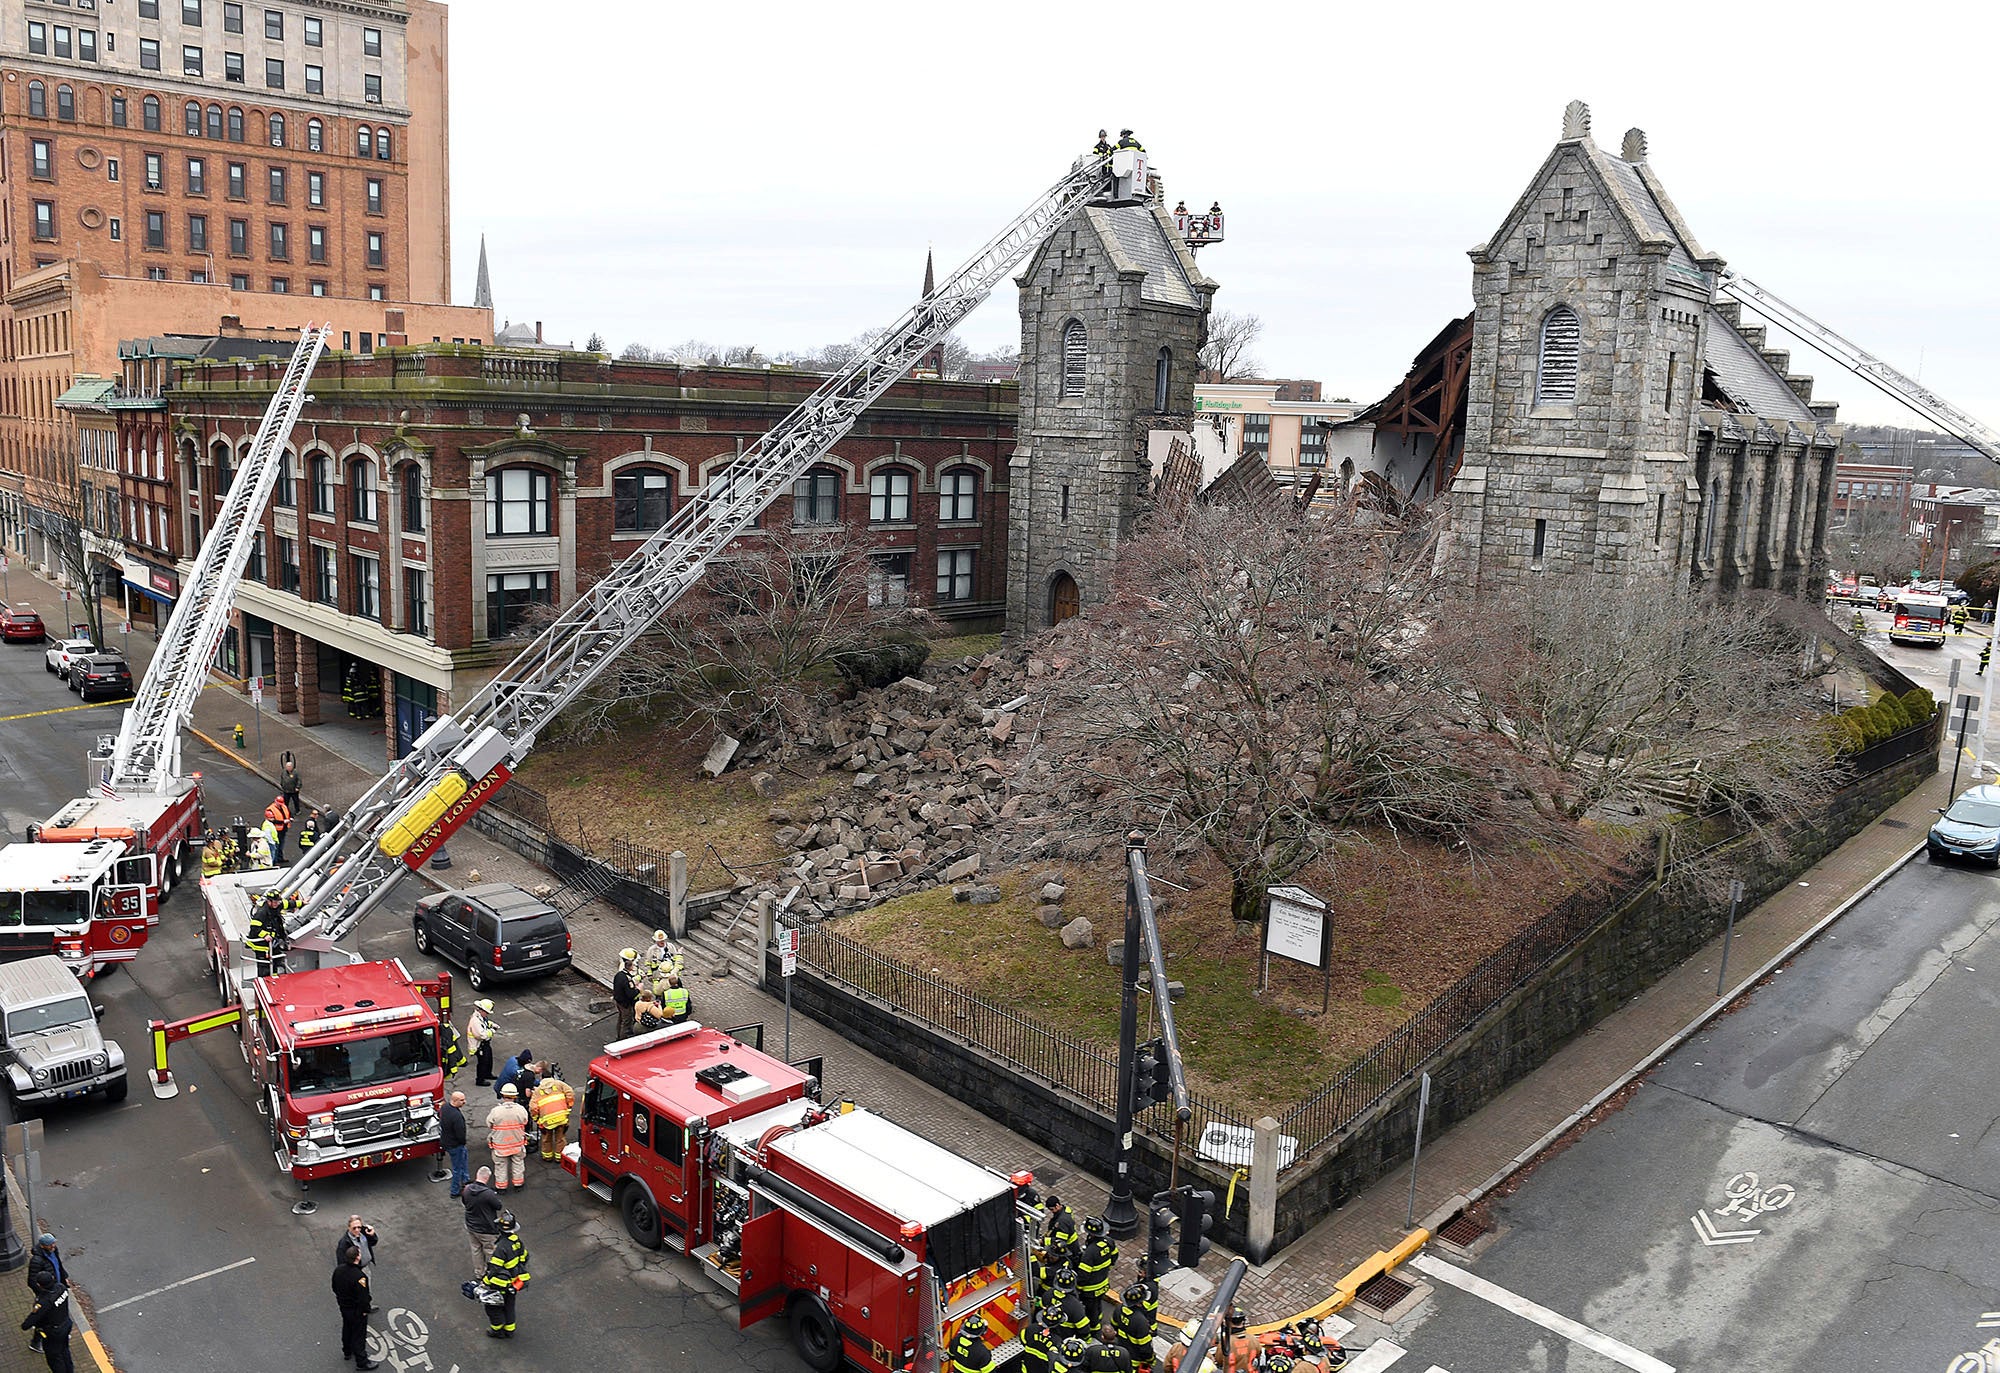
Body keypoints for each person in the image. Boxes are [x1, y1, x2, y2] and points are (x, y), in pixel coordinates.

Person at [21, 1233, 73, 1373]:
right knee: (65, 1352)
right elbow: (31, 1281)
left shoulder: (46, 1302)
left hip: (54, 1332)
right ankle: (36, 1342)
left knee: (54, 1357)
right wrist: (45, 1293)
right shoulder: (37, 1261)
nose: (54, 1246)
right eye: (51, 1244)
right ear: (44, 1245)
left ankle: (37, 1341)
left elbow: (29, 1321)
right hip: (60, 1320)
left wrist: (64, 1277)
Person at [480, 1212, 531, 1338]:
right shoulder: (517, 1241)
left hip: (500, 1284)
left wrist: (485, 1281)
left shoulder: (501, 1247)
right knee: (509, 1306)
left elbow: (495, 1269)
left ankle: (497, 1330)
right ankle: (510, 1330)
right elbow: (525, 1257)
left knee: (493, 1307)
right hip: (514, 1283)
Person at [331, 1246, 378, 1370]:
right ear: (357, 1257)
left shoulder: (339, 1270)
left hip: (344, 1307)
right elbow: (363, 1298)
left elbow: (334, 1287)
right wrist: (365, 1311)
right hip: (356, 1310)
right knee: (359, 1335)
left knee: (347, 1328)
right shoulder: (359, 1277)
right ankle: (362, 1362)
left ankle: (347, 1351)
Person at [486, 1084, 530, 1191]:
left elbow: (489, 1124)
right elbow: (525, 1121)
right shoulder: (521, 1109)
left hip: (500, 1145)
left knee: (500, 1165)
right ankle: (518, 1184)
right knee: (518, 1163)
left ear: (502, 1095)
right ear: (515, 1096)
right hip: (517, 1143)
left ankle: (501, 1187)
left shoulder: (496, 1111)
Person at [462, 1167, 505, 1274]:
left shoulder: (467, 1189)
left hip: (471, 1226)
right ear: (487, 1178)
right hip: (486, 1228)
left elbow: (465, 1202)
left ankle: (479, 1272)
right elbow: (498, 1206)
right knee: (490, 1251)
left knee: (476, 1250)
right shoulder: (488, 1194)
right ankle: (493, 1274)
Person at [1074, 1215, 1117, 1322]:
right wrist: (1107, 1268)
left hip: (1090, 1290)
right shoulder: (1109, 1242)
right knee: (1098, 1305)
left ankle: (1094, 1327)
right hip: (1103, 1284)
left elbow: (1084, 1274)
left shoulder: (1090, 1252)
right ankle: (1098, 1319)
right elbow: (1115, 1255)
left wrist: (1078, 1288)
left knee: (1091, 1311)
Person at [529, 1066, 575, 1162]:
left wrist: (536, 1118)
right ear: (551, 1076)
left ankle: (547, 1156)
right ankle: (559, 1157)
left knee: (546, 1139)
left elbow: (533, 1107)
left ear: (541, 1078)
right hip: (561, 1117)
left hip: (546, 1120)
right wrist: (568, 1106)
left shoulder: (537, 1091)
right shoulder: (559, 1084)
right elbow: (570, 1092)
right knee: (560, 1138)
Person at [1109, 1290, 1156, 1369]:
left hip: (1119, 1350)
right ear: (1138, 1303)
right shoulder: (1140, 1321)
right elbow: (1145, 1347)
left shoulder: (1119, 1308)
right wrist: (1150, 1359)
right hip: (1134, 1359)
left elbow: (1113, 1327)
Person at [440, 1090, 470, 1197]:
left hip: (446, 1141)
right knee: (457, 1168)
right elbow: (460, 1134)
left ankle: (466, 1181)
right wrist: (463, 1142)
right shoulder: (457, 1116)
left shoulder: (445, 1107)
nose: (464, 1102)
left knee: (462, 1162)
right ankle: (455, 1191)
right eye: (462, 1100)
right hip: (456, 1145)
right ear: (455, 1101)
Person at [467, 1000, 497, 1086]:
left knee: (489, 1060)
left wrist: (492, 1024)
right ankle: (480, 1080)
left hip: (485, 1044)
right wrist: (492, 1031)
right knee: (483, 1063)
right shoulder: (475, 1021)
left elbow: (485, 1023)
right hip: (480, 1045)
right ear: (482, 1010)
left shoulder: (481, 1017)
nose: (487, 1014)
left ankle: (487, 1074)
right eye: (487, 1012)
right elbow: (481, 1035)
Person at [612, 950, 640, 1040]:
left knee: (621, 1019)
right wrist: (638, 990)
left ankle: (618, 1034)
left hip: (618, 1001)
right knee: (626, 1021)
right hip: (625, 1003)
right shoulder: (627, 979)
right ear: (630, 967)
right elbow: (630, 994)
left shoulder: (619, 975)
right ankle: (622, 1039)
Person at [264, 795, 292, 863]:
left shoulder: (284, 806)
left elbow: (288, 813)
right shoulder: (270, 809)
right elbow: (272, 820)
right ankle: (275, 860)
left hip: (283, 829)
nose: (280, 805)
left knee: (281, 845)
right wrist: (283, 822)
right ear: (275, 801)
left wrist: (290, 818)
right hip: (277, 830)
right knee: (276, 845)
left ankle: (280, 858)